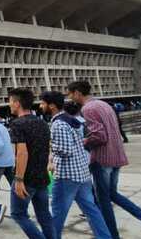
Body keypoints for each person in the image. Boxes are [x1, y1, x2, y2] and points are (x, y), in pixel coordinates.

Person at [68, 80, 141, 239]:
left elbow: (99, 136)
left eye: (70, 93)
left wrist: (82, 142)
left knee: (104, 202)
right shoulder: (103, 104)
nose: (70, 97)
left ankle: (112, 236)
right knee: (112, 194)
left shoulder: (87, 108)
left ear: (77, 93)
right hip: (116, 156)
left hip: (102, 159)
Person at [39, 91, 111, 239]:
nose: (40, 106)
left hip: (67, 175)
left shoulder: (58, 123)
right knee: (91, 210)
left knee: (58, 212)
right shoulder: (70, 119)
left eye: (42, 103)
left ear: (51, 105)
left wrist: (51, 149)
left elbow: (65, 150)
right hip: (82, 173)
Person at [8, 88, 54, 239]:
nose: (9, 105)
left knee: (18, 214)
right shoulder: (42, 122)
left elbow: (21, 153)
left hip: (26, 179)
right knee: (44, 216)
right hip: (42, 177)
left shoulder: (17, 124)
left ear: (17, 103)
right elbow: (47, 147)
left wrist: (19, 179)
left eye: (10, 101)